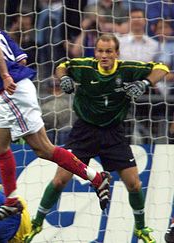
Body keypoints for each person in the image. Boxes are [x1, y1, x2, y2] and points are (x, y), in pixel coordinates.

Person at [0, 4, 111, 220]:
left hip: (13, 89)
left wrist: (4, 76)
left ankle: (96, 177)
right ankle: (11, 200)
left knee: (43, 149)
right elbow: (21, 59)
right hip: (14, 89)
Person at [26, 34, 169, 243]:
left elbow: (162, 68)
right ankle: (37, 224)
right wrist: (64, 77)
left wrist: (145, 83)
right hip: (84, 131)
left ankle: (141, 229)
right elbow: (61, 65)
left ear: (117, 53)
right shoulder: (84, 67)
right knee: (59, 181)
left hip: (114, 132)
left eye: (109, 51)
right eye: (100, 51)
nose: (104, 55)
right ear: (96, 52)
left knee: (134, 184)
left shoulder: (128, 68)